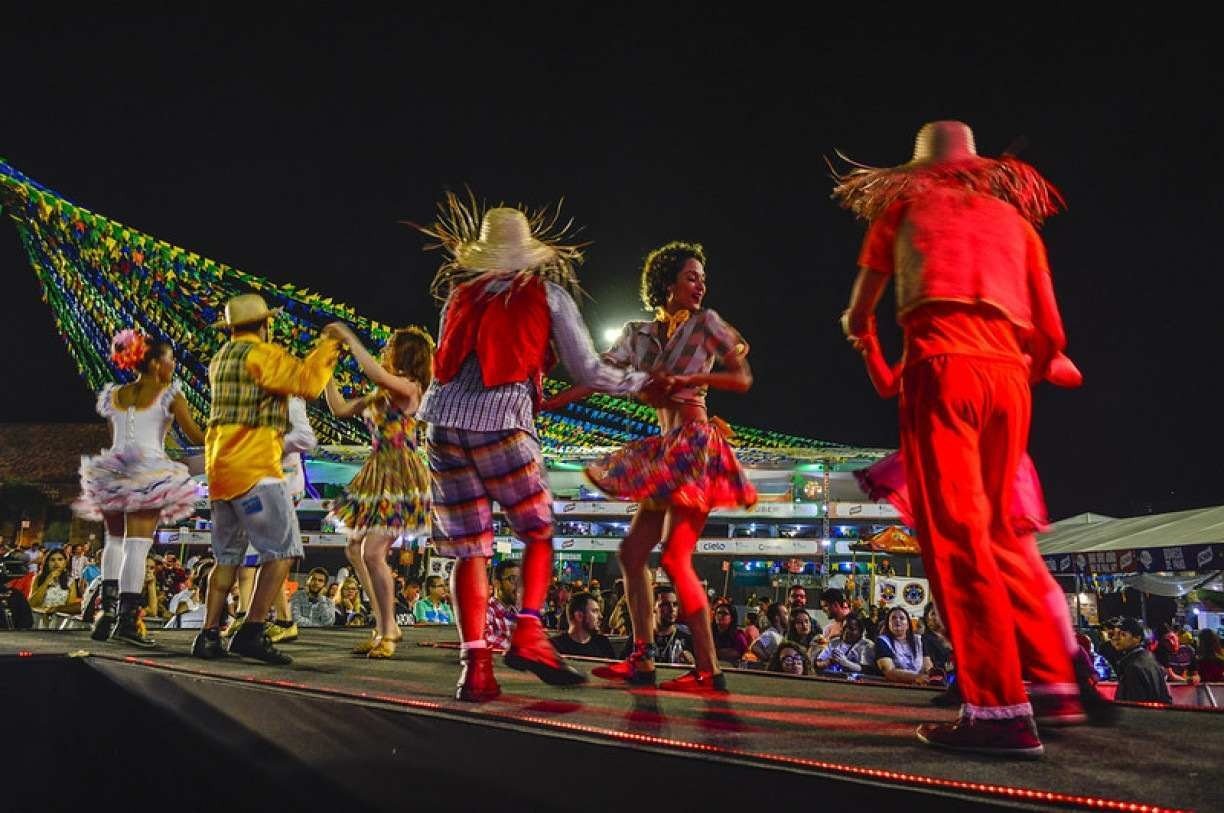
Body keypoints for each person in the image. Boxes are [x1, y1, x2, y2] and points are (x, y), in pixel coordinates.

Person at [837, 121, 1078, 757]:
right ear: (979, 167)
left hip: (941, 372)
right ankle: (1050, 684)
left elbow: (860, 311)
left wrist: (863, 336)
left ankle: (999, 710)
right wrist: (1028, 362)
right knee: (1001, 533)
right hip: (1009, 385)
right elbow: (1051, 336)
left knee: (957, 537)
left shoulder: (902, 210)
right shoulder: (1017, 225)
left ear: (918, 169)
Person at [413, 196, 660, 701]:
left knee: (470, 550)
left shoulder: (458, 297)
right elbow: (588, 371)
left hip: (440, 426)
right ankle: (528, 631)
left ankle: (475, 669)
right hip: (501, 421)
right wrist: (643, 381)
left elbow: (446, 362)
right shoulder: (547, 295)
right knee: (539, 531)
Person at [567, 241, 756, 694]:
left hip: (694, 446)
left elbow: (742, 378)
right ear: (667, 283)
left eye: (702, 278)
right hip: (664, 449)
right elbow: (599, 376)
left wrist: (689, 380)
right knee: (633, 555)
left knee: (674, 557)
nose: (700, 285)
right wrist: (548, 400)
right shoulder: (639, 333)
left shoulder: (707, 323)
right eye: (692, 277)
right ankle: (643, 657)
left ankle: (710, 670)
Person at [191, 293, 339, 663]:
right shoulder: (262, 354)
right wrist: (330, 345)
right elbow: (307, 382)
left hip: (220, 470)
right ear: (265, 324)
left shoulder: (220, 359)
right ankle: (253, 630)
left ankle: (208, 635)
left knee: (227, 558)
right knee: (284, 551)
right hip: (256, 467)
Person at [73, 330, 205, 646]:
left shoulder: (115, 394)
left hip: (112, 471)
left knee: (114, 541)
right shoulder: (171, 395)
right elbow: (197, 437)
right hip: (150, 472)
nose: (174, 364)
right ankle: (128, 622)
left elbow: (115, 436)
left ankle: (106, 613)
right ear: (157, 362)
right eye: (171, 358)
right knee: (138, 545)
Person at [325, 323, 434, 659]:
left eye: (392, 346)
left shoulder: (410, 387)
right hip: (376, 471)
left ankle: (387, 630)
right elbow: (339, 409)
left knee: (372, 552)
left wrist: (348, 338)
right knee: (354, 549)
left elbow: (375, 373)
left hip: (400, 473)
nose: (386, 350)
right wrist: (325, 369)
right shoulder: (382, 394)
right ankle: (384, 623)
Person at [225, 395, 318, 646]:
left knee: (269, 555)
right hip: (257, 483)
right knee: (249, 556)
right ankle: (247, 614)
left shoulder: (291, 401)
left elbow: (305, 439)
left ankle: (284, 621)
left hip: (283, 485)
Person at [1113, 618, 1173, 704]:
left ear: (1137, 638)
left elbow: (1134, 705)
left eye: (1123, 634)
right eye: (1114, 634)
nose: (1116, 638)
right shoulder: (1149, 659)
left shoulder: (1133, 667)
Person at [875, 606, 934, 685]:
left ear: (908, 624)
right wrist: (916, 677)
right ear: (888, 624)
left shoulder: (919, 640)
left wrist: (930, 676)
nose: (897, 620)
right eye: (893, 618)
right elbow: (889, 671)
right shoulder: (882, 641)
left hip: (921, 685)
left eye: (902, 618)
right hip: (895, 687)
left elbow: (928, 666)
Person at [553, 592, 617, 658]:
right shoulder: (555, 646)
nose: (600, 616)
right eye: (595, 611)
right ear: (579, 616)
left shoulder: (603, 643)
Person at [29, 549, 81, 628]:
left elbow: (70, 606)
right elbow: (31, 603)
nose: (56, 563)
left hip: (59, 621)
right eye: (52, 560)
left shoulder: (70, 581)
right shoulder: (38, 578)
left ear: (65, 562)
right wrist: (47, 581)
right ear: (47, 563)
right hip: (39, 619)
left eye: (60, 559)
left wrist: (55, 609)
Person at [486, 560, 520, 650]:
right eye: (513, 579)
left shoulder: (516, 613)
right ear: (497, 583)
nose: (518, 586)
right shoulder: (487, 610)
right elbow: (485, 639)